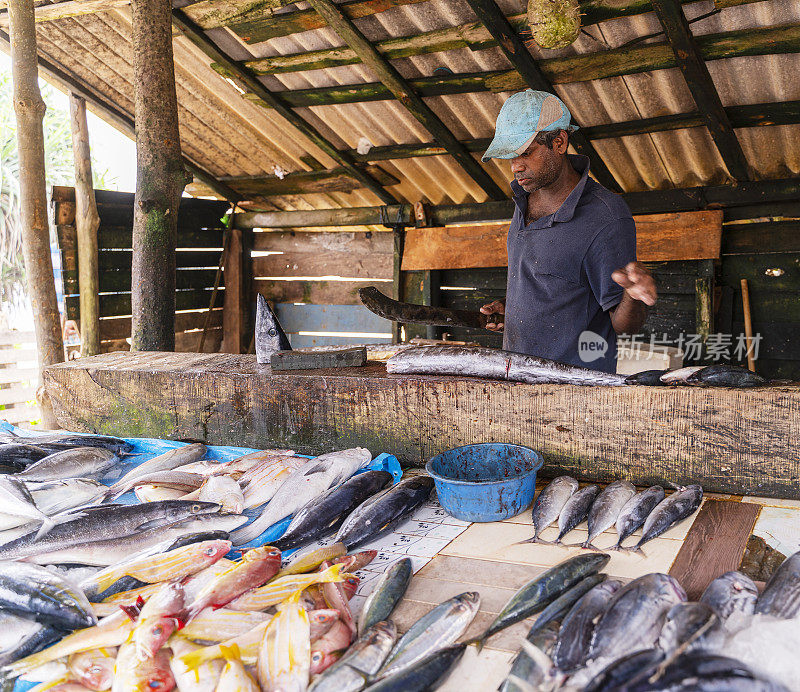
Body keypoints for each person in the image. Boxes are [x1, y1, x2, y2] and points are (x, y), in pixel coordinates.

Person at [479, 89, 657, 373]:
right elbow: (553, 282)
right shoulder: (524, 197)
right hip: (516, 377)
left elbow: (625, 327)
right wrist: (514, 309)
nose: (515, 166)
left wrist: (632, 297)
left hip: (574, 391)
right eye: (509, 156)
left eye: (526, 152)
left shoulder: (605, 217)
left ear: (559, 142)